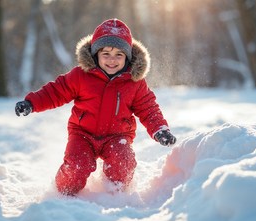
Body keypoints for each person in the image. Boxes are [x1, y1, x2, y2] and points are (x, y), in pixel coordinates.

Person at [15, 18, 176, 196]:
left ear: (128, 57)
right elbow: (56, 91)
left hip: (117, 136)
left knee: (123, 162)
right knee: (77, 166)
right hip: (82, 134)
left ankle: (116, 195)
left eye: (119, 55)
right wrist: (31, 103)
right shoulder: (81, 76)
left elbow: (148, 108)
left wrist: (160, 130)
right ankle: (61, 193)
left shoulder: (134, 82)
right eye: (106, 53)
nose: (112, 60)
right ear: (95, 54)